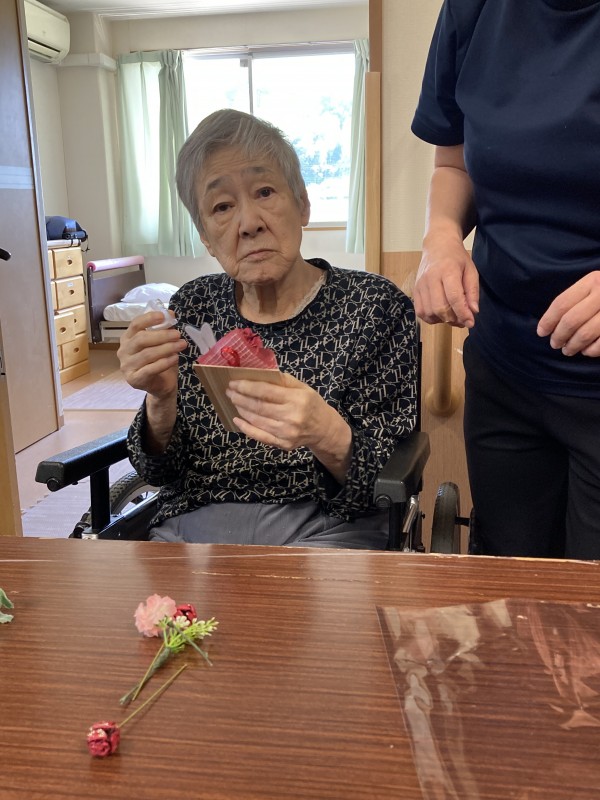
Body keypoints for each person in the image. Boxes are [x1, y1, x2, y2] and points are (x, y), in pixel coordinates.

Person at [118, 108, 417, 548]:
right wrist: (161, 400)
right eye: (222, 206)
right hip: (193, 533)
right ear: (205, 236)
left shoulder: (373, 307)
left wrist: (325, 432)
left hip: (328, 527)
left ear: (303, 205)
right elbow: (158, 472)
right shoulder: (194, 307)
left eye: (264, 191)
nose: (249, 224)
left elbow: (392, 481)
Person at [411, 0, 600, 559]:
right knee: (511, 586)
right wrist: (441, 238)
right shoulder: (473, 10)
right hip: (504, 370)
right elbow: (453, 163)